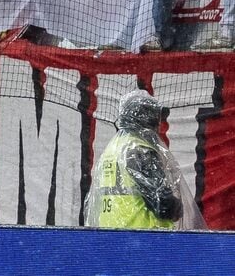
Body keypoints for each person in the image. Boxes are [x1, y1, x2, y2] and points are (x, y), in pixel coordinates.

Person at [85, 90, 203, 229]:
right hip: (143, 236)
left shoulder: (111, 151)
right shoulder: (141, 150)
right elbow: (163, 205)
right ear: (151, 122)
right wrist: (177, 207)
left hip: (110, 233)